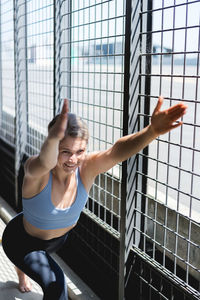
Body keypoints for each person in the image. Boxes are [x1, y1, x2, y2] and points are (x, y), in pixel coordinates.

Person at [2, 96, 187, 299]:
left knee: (39, 264)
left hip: (56, 241)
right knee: (56, 283)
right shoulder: (36, 171)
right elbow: (45, 161)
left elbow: (116, 152)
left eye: (79, 151)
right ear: (54, 146)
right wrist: (53, 139)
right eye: (65, 151)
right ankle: (22, 268)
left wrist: (151, 132)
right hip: (21, 240)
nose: (73, 159)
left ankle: (23, 270)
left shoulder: (86, 168)